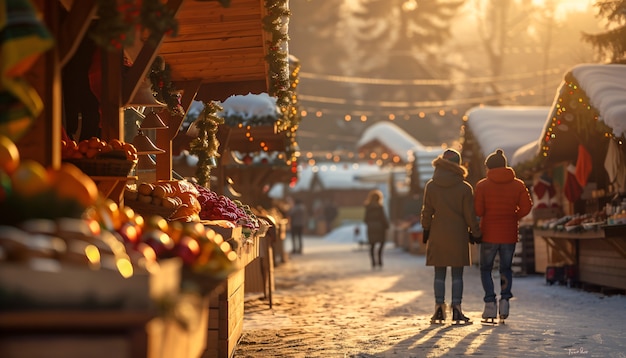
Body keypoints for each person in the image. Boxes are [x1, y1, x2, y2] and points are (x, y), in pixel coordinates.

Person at [420, 148, 481, 324]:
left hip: (437, 233)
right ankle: (457, 308)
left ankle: (439, 308)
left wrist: (426, 229)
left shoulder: (431, 186)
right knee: (457, 275)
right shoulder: (464, 188)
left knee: (439, 274)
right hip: (458, 234)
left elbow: (427, 211)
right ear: (458, 164)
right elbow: (469, 214)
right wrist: (475, 233)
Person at [474, 149, 532, 323]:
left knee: (486, 269)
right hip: (509, 233)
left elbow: (478, 210)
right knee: (505, 269)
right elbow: (527, 206)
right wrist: (514, 215)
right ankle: (505, 300)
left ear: (489, 167)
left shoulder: (482, 185)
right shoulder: (518, 185)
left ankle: (490, 303)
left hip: (489, 233)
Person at [363, 189, 389, 269]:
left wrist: (370, 224)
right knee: (381, 243)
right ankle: (380, 261)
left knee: (372, 245)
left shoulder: (368, 207)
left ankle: (373, 262)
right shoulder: (380, 207)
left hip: (371, 228)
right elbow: (383, 218)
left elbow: (365, 219)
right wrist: (386, 226)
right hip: (380, 228)